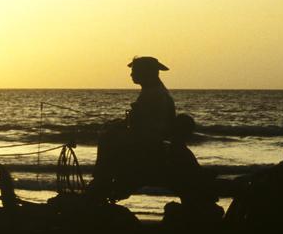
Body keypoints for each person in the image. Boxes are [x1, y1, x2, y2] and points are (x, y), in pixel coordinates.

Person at [87, 56, 176, 201]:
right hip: (150, 138)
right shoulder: (154, 91)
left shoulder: (154, 94)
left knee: (106, 137)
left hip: (148, 142)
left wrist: (120, 126)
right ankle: (103, 180)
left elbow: (141, 125)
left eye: (135, 71)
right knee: (110, 134)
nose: (131, 74)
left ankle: (102, 179)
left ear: (147, 73)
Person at [163, 114, 224, 224]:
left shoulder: (175, 149)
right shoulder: (180, 151)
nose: (191, 133)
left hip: (193, 191)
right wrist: (208, 174)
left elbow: (191, 172)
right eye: (189, 129)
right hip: (194, 193)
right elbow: (190, 176)